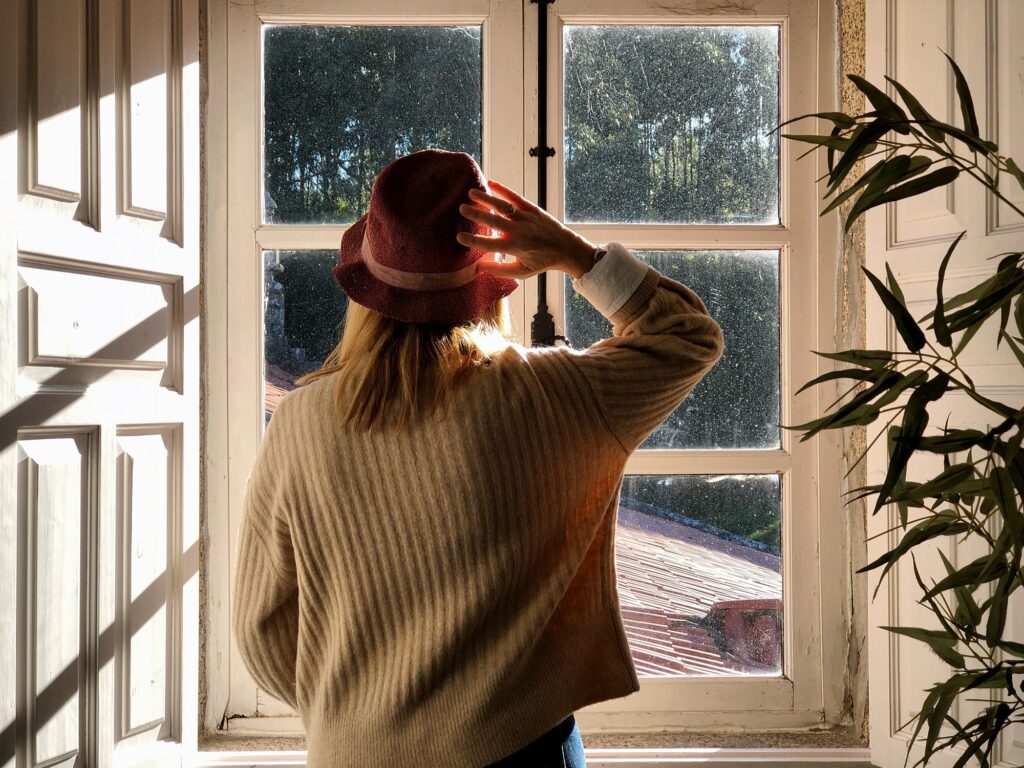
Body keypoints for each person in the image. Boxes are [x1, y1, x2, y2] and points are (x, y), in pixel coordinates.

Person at [233, 148, 724, 767]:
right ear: (487, 281)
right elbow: (688, 337)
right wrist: (577, 255)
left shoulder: (299, 423)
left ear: (366, 288)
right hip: (521, 750)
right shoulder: (559, 394)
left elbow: (260, 626)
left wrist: (355, 711)